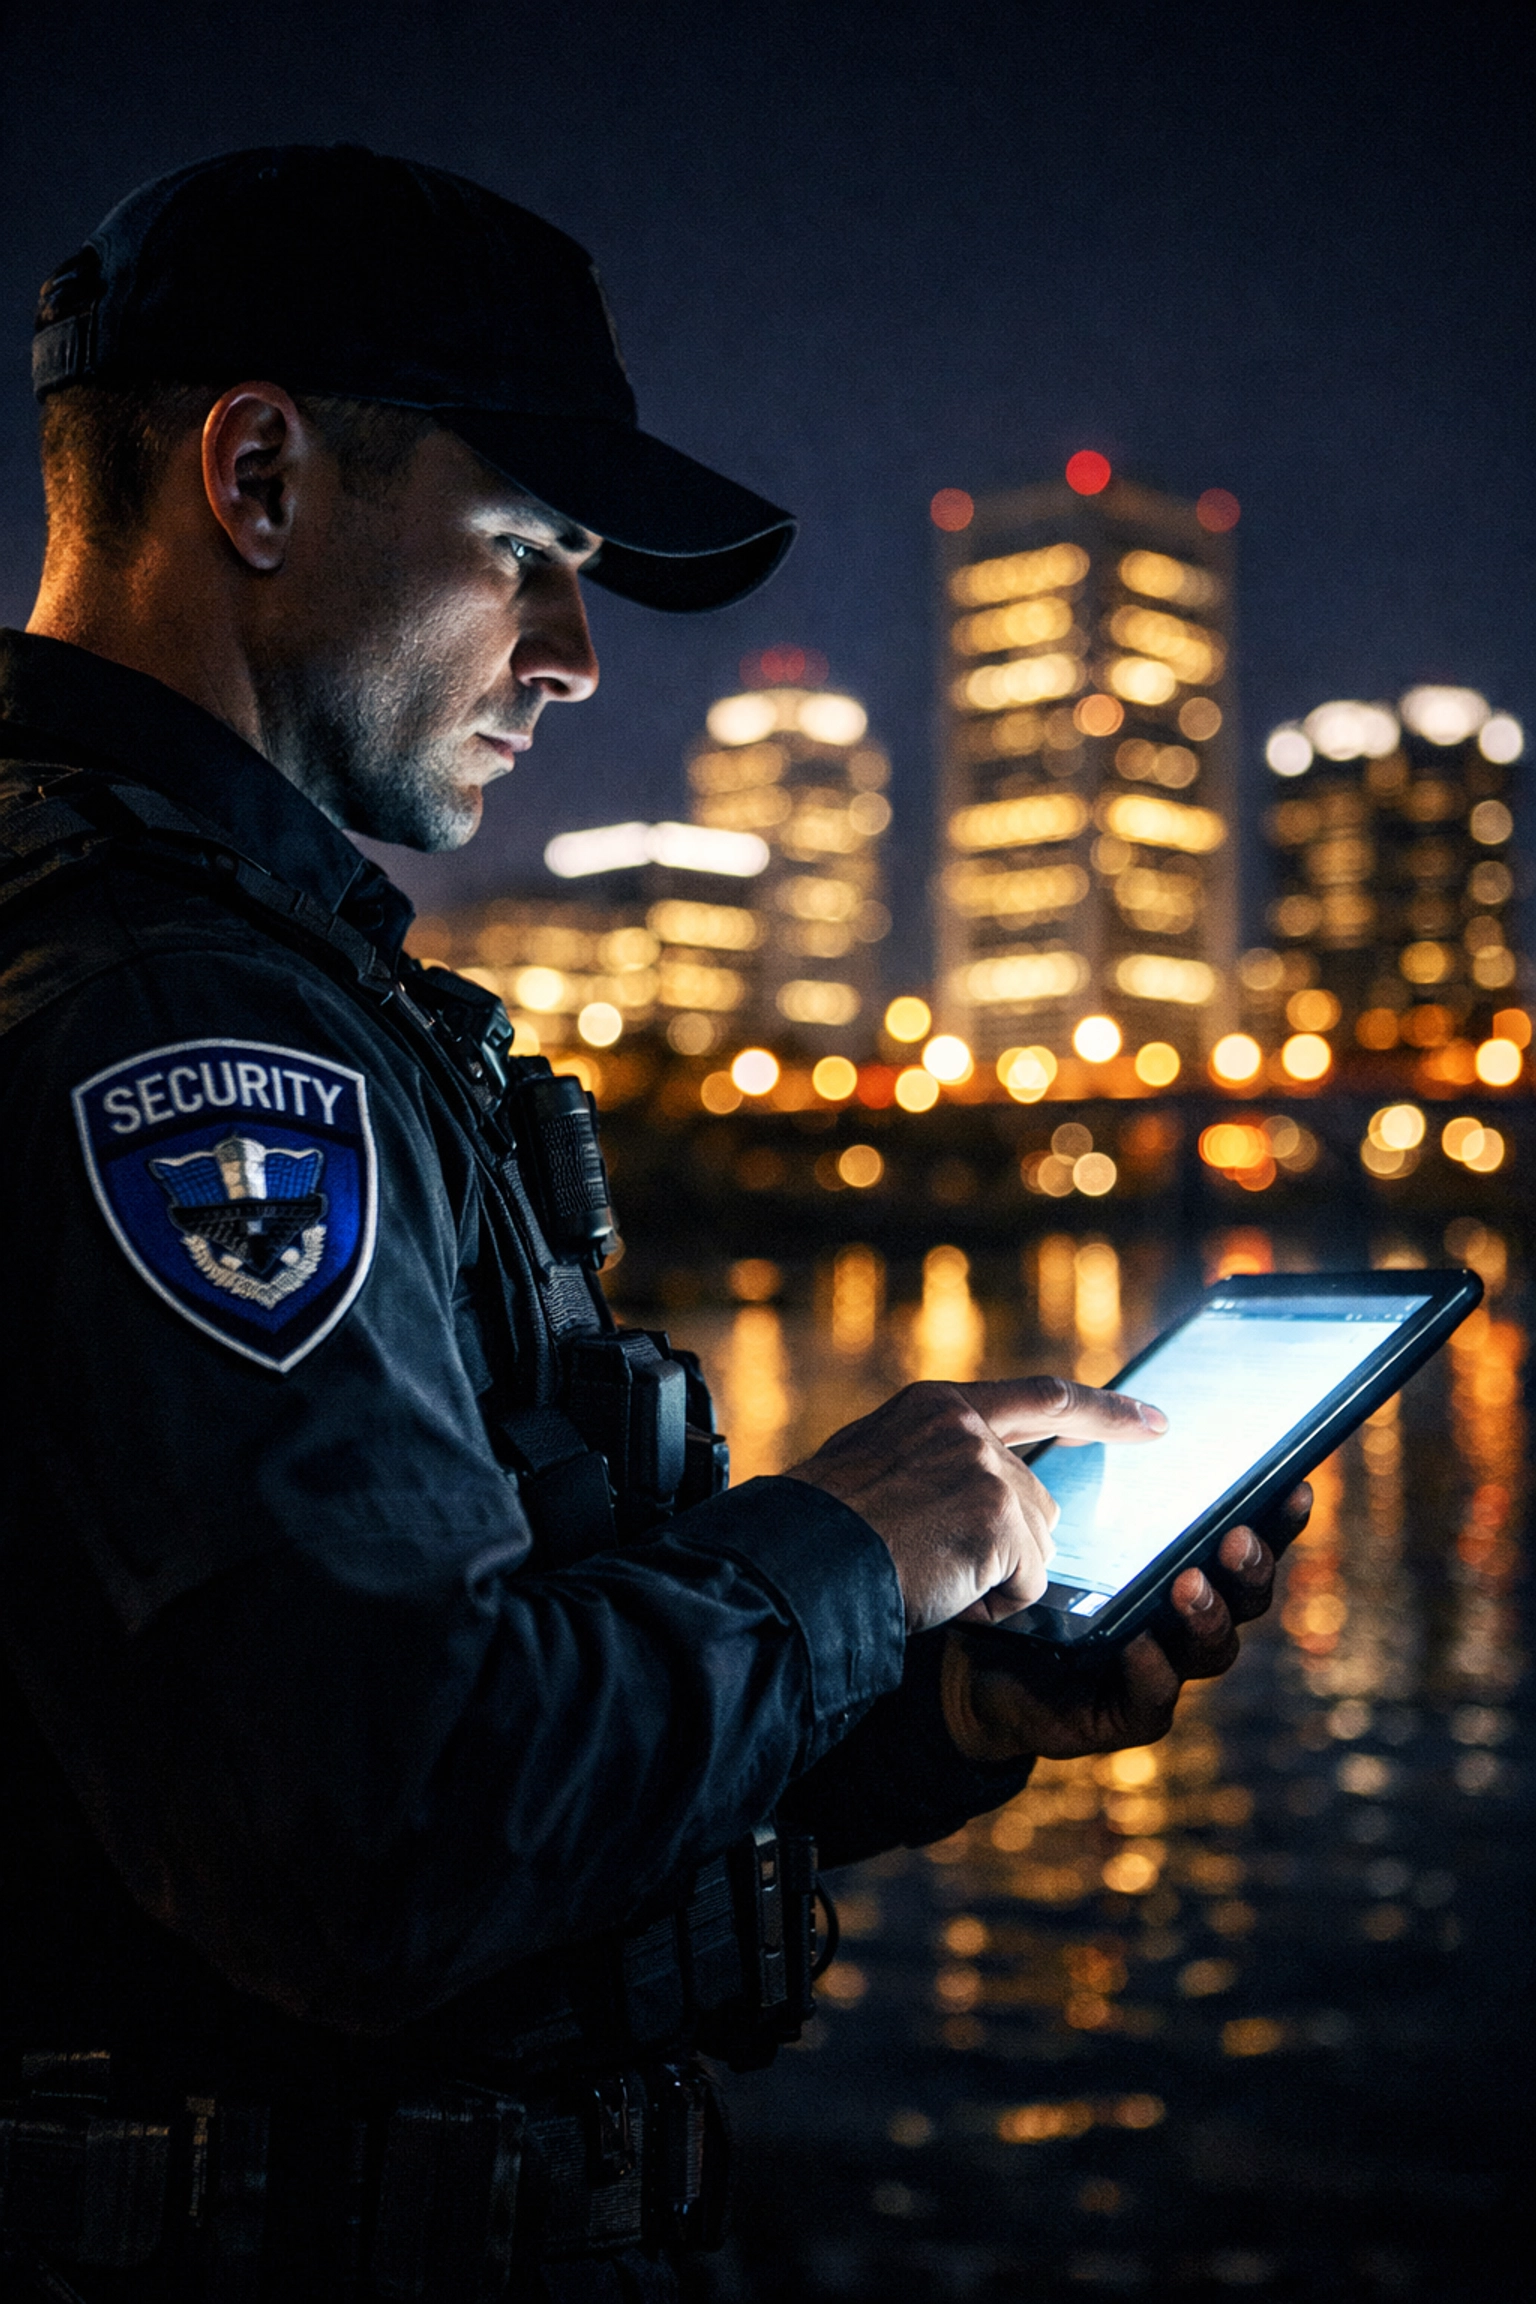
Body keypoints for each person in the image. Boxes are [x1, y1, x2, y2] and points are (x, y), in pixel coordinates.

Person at [0, 146, 1306, 2303]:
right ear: (257, 477)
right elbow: (386, 1840)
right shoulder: (176, 1021)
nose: (580, 657)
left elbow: (437, 1747)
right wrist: (856, 1544)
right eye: (529, 553)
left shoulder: (238, 963)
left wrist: (935, 1703)